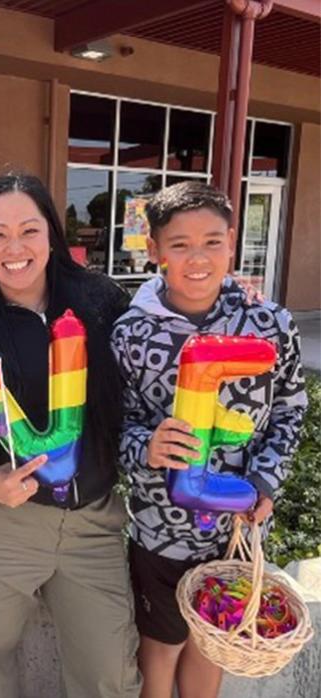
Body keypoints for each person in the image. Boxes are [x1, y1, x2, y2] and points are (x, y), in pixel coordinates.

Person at [0, 173, 141, 697]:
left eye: (29, 229)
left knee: (110, 675)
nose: (15, 247)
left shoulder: (102, 303)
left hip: (92, 524)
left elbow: (144, 394)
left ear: (52, 232)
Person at [111, 181, 307, 698]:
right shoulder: (130, 334)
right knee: (160, 647)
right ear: (154, 250)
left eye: (213, 242)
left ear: (232, 242)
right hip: (160, 532)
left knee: (212, 644)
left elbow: (290, 409)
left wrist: (266, 481)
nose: (198, 257)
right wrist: (145, 446)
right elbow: (114, 425)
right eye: (180, 244)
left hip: (238, 529)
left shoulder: (270, 323)